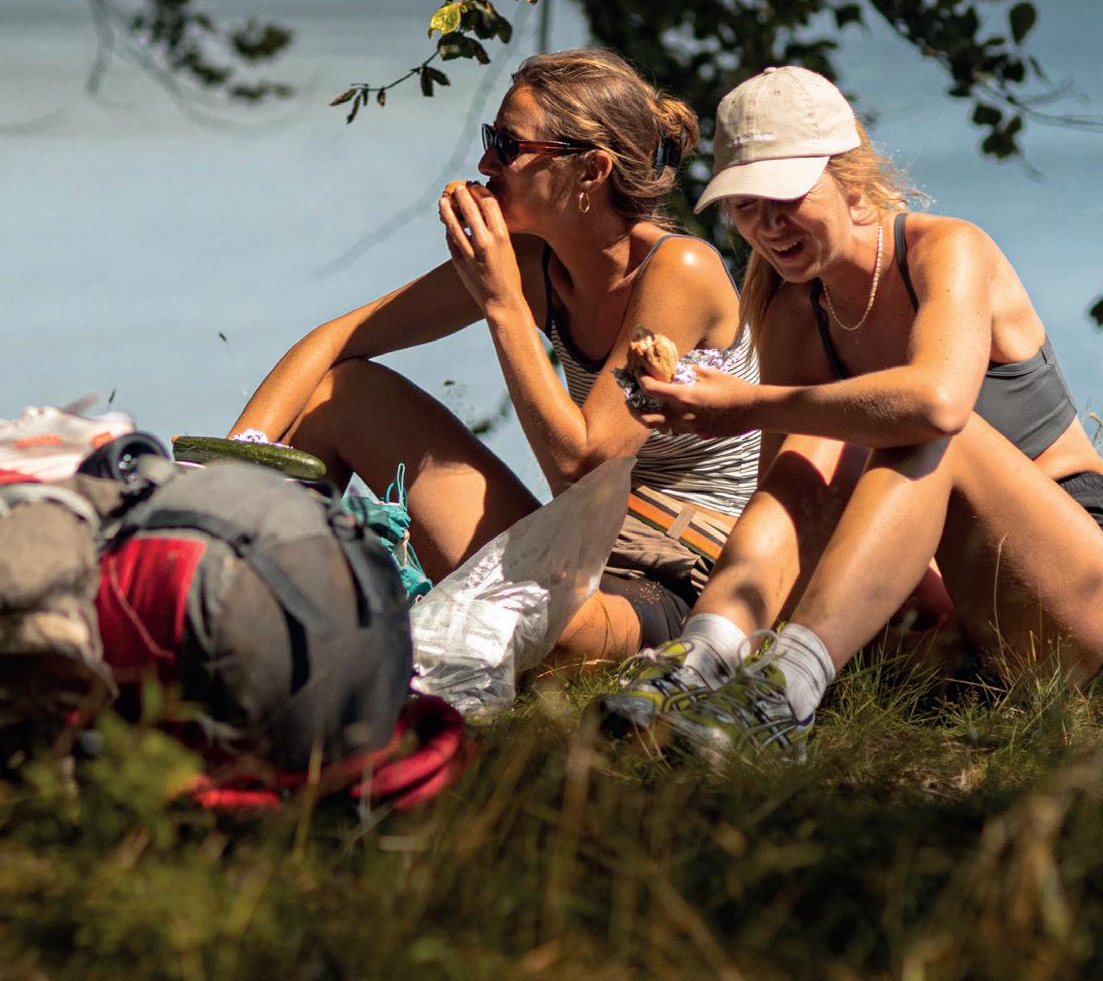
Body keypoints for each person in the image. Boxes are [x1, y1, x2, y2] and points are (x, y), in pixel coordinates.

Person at [599, 65, 1103, 757]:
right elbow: (791, 510)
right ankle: (698, 665)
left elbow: (936, 405)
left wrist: (743, 406)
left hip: (1082, 599)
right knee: (805, 461)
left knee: (931, 428)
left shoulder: (945, 250)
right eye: (744, 204)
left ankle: (780, 698)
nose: (766, 224)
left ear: (851, 179)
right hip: (955, 632)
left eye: (786, 195)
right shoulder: (792, 310)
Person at [229, 49, 760, 658]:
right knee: (343, 395)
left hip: (676, 576)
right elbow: (336, 340)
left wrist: (501, 299)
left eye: (508, 146)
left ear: (591, 171)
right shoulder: (533, 262)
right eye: (491, 139)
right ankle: (236, 599)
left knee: (533, 629)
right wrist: (226, 473)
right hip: (579, 543)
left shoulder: (679, 268)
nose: (485, 164)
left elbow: (581, 464)